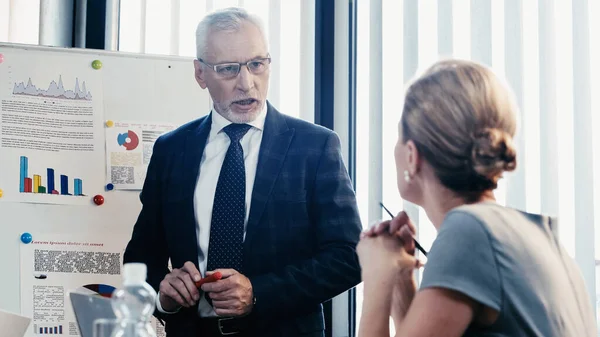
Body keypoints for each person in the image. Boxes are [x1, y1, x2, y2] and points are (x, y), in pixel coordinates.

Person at [123, 7, 362, 337]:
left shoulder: (315, 147)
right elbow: (140, 257)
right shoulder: (172, 150)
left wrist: (258, 292)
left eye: (256, 64)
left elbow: (348, 258)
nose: (246, 83)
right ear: (200, 74)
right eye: (228, 69)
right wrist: (163, 295)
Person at [357, 59, 597, 337]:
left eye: (398, 138)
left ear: (412, 156)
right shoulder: (526, 234)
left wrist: (375, 279)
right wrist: (400, 278)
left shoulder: (469, 232)